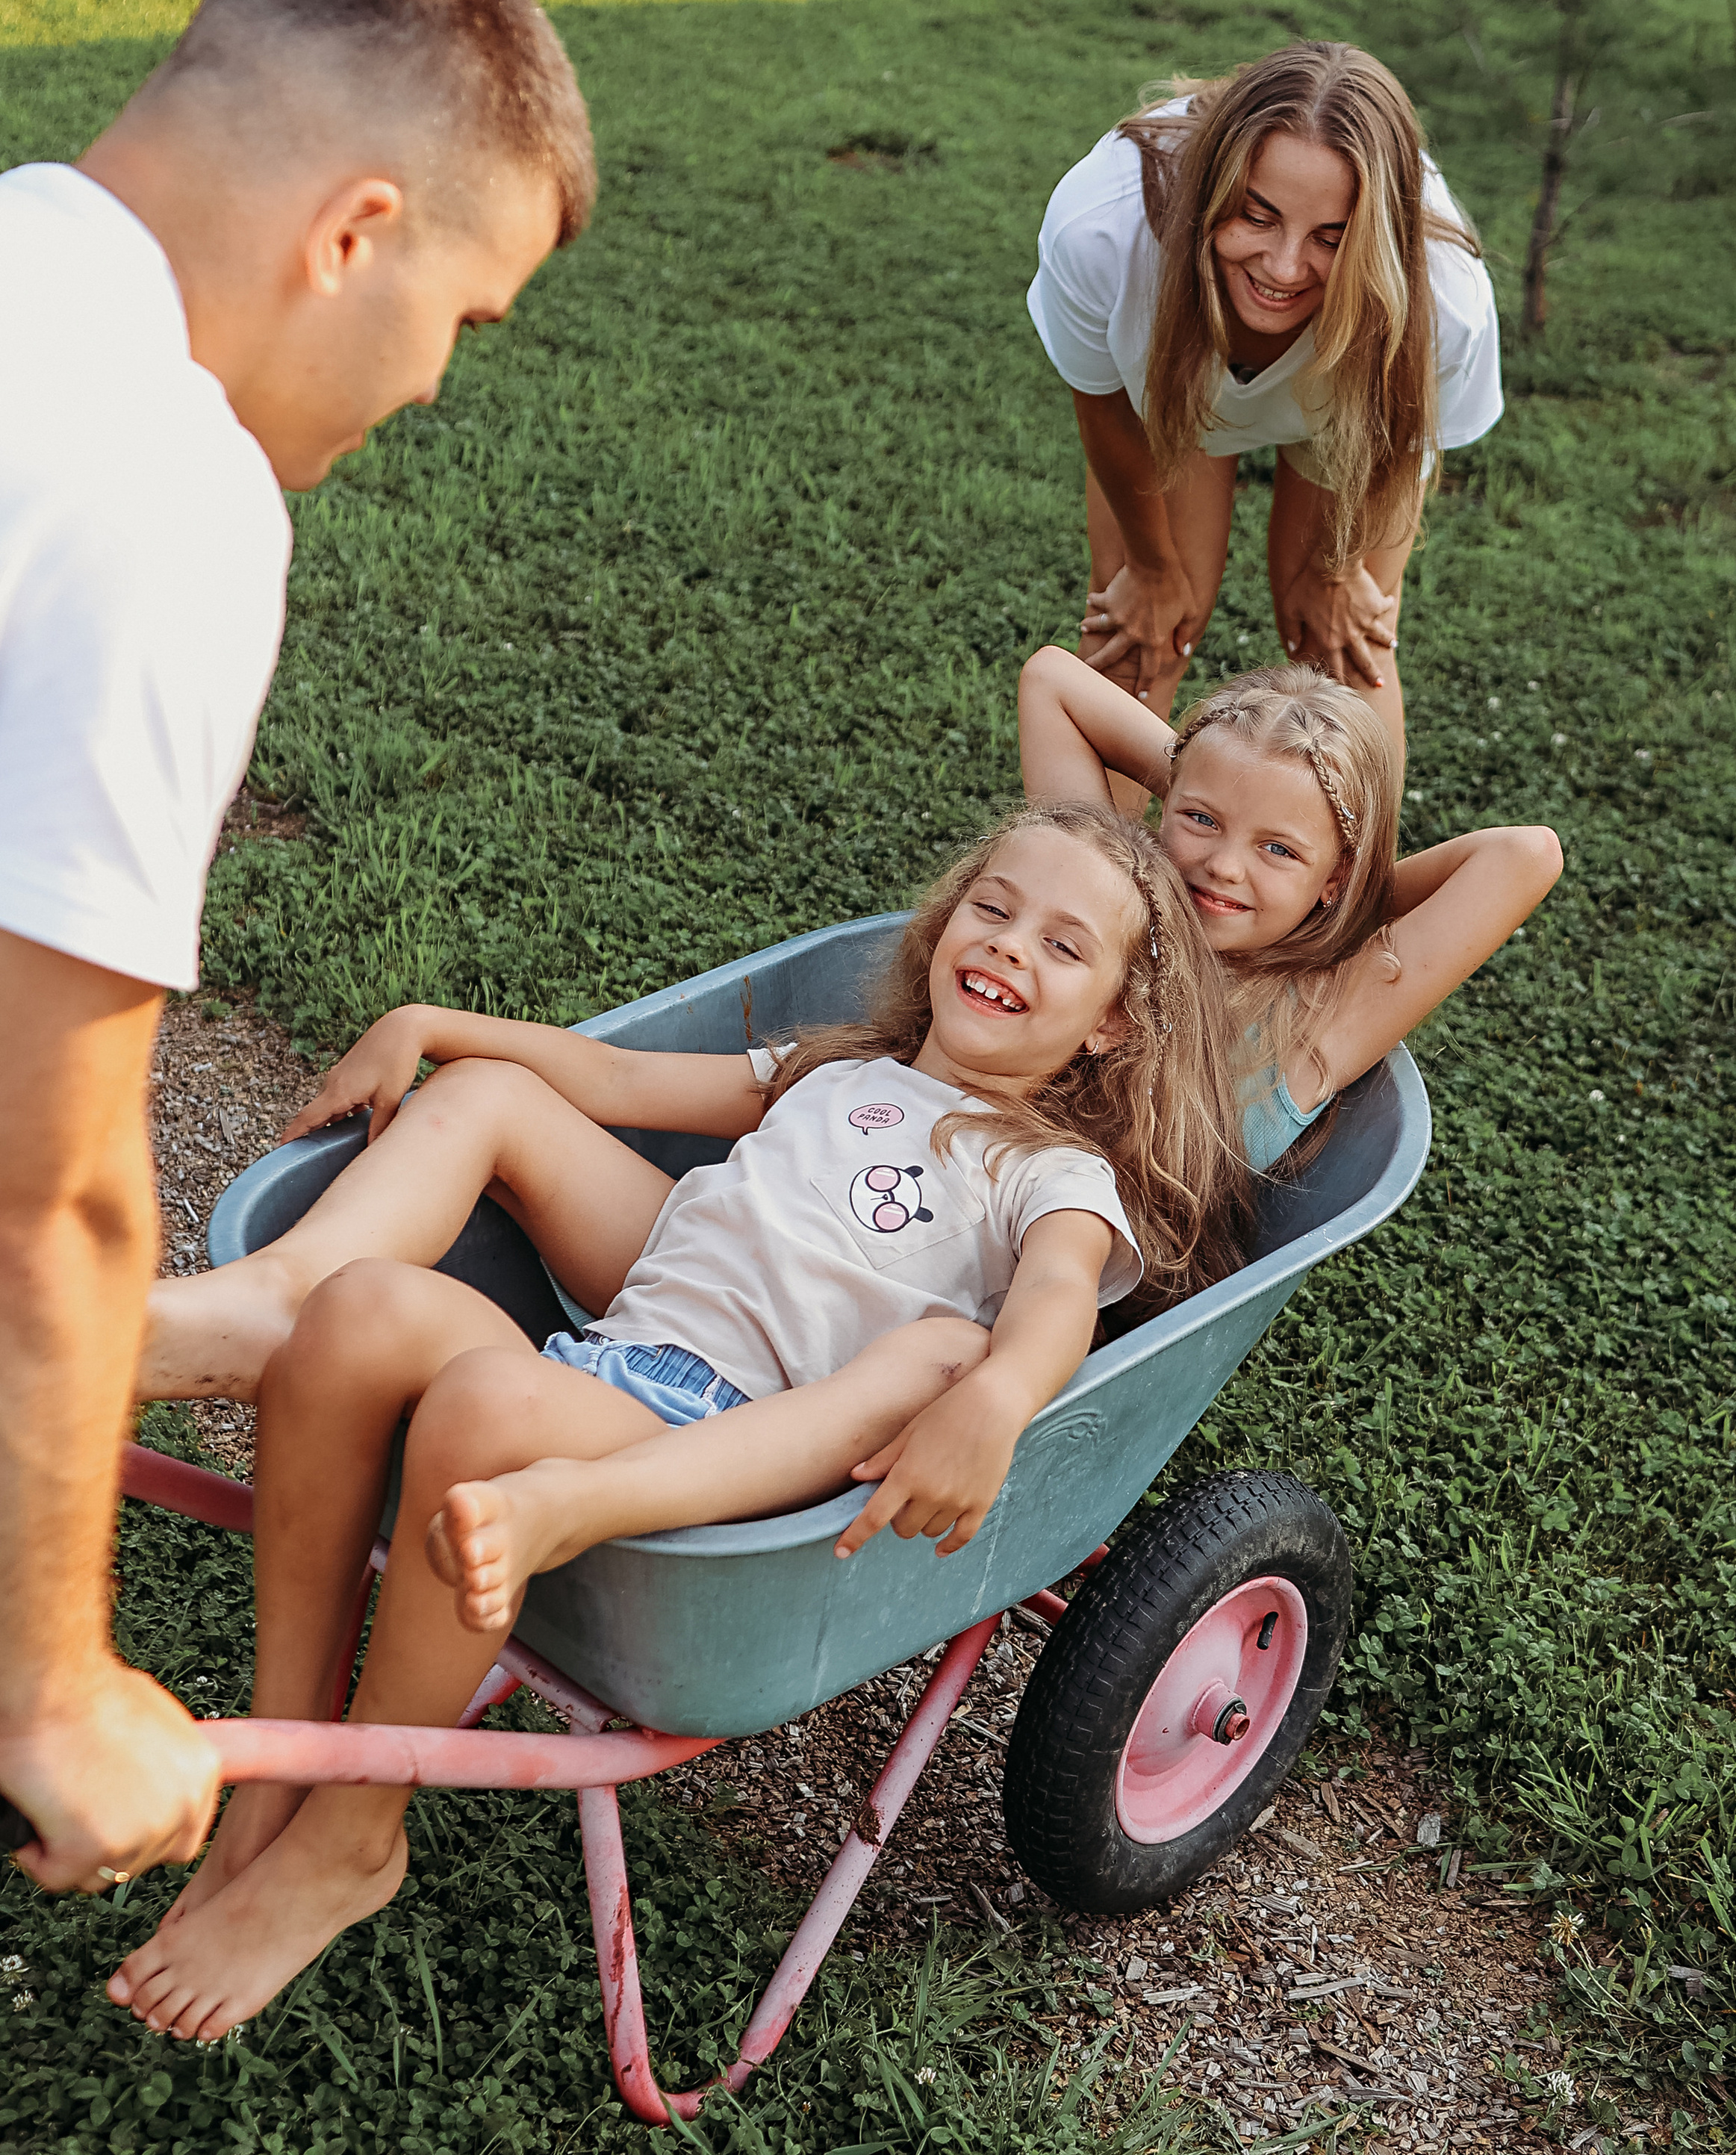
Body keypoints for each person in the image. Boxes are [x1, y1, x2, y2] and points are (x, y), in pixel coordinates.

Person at [106, 805, 1253, 2044]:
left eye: (1064, 946)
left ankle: (351, 1834)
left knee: (914, 1353)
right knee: (369, 1297)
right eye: (995, 907)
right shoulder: (839, 1070)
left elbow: (1056, 1302)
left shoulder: (1051, 1172)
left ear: (1114, 1024)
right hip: (639, 1324)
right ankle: (284, 1743)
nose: (1011, 947)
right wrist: (433, 1028)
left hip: (730, 1428)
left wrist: (993, 1397)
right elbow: (605, 1080)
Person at [0, 0, 595, 1912]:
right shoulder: (163, 491)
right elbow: (51, 1195)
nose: (431, 389)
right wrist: (57, 1692)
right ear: (352, 231)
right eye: (465, 320)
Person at [1027, 39, 1503, 777]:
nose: (1283, 267)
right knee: (1142, 642)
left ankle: (1345, 892)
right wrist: (1152, 570)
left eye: (1330, 238)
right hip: (1172, 395)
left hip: (1348, 403)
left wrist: (1342, 573)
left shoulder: (1444, 298)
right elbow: (1107, 409)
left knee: (1343, 655)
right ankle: (1093, 887)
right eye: (1256, 216)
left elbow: (1400, 448)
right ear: (1213, 191)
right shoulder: (1101, 231)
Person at [1019, 644, 1561, 1164]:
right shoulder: (1110, 903)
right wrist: (1205, 772)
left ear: (1337, 875)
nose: (1226, 867)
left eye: (1278, 849)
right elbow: (1051, 681)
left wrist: (1346, 900)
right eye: (1201, 820)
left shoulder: (1311, 1021)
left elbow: (1525, 855)